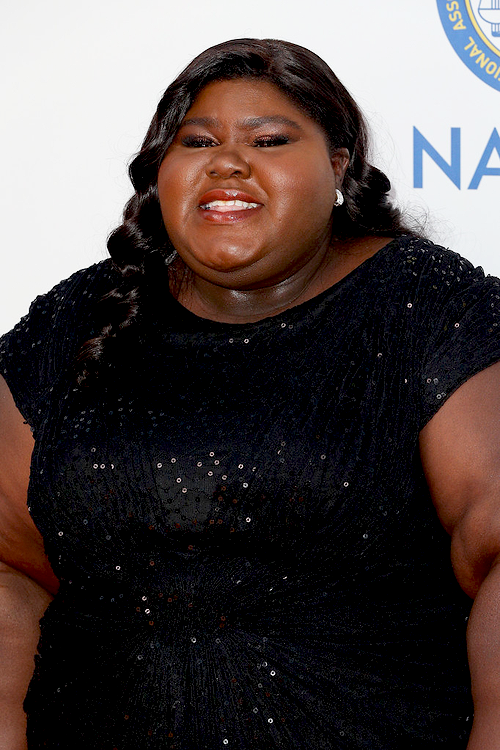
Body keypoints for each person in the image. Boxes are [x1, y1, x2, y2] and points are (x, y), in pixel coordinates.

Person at [1, 37, 500, 750]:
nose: (228, 161)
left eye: (268, 139)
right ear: (160, 175)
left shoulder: (427, 308)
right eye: (197, 140)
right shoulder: (78, 321)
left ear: (339, 165)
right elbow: (10, 568)